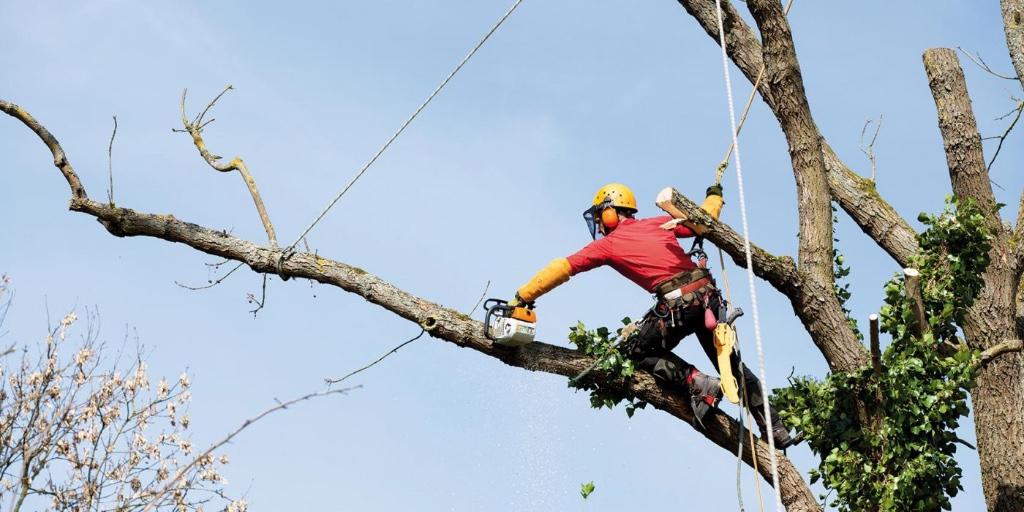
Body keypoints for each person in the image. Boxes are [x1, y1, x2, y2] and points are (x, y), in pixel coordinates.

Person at [509, 183, 797, 447]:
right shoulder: (659, 223)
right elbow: (705, 220)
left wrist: (524, 295)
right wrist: (715, 195)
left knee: (635, 350)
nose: (599, 224)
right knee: (731, 366)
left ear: (610, 212)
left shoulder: (608, 244)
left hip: (678, 305)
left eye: (600, 216)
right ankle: (775, 428)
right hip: (707, 300)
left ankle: (697, 382)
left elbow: (564, 267)